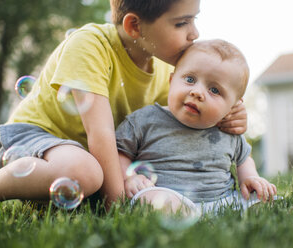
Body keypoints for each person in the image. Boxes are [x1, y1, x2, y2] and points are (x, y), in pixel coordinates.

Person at [0, 0, 247, 213]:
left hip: (78, 158)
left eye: (194, 20)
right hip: (30, 140)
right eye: (181, 23)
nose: (194, 34)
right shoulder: (90, 45)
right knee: (86, 173)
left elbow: (179, 125)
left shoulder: (165, 72)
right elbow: (101, 136)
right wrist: (118, 208)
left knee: (88, 173)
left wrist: (231, 115)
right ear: (134, 26)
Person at [116, 39, 277, 215]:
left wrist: (251, 178)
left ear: (232, 106)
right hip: (168, 196)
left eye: (214, 90)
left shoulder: (228, 131)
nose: (197, 92)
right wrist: (130, 177)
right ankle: (179, 213)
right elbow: (120, 152)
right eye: (190, 79)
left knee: (262, 200)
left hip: (222, 202)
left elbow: (243, 159)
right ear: (172, 80)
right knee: (153, 200)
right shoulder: (145, 120)